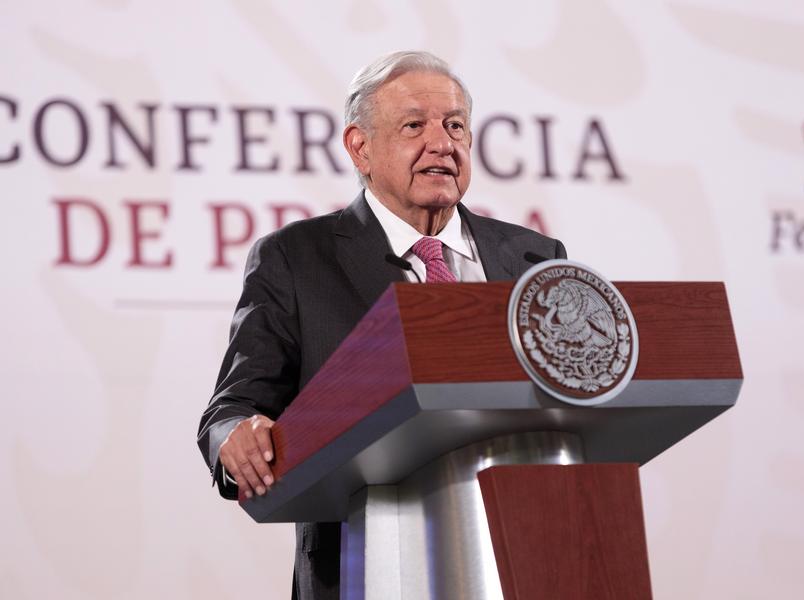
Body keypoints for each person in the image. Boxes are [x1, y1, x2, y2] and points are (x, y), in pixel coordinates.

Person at [197, 50, 567, 599]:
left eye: (456, 126)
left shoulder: (534, 258)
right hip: (365, 562)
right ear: (360, 147)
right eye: (415, 125)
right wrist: (236, 438)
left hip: (525, 556)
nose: (442, 143)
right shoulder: (298, 258)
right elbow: (233, 408)